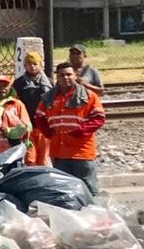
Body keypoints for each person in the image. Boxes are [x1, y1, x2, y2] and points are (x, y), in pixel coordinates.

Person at [34, 62, 106, 194]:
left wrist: (80, 132)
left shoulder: (89, 96)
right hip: (59, 153)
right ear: (57, 77)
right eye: (62, 75)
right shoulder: (48, 97)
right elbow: (39, 117)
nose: (65, 77)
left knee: (89, 189)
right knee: (65, 190)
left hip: (82, 152)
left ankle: (95, 213)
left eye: (68, 74)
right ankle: (71, 214)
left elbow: (99, 118)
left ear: (75, 76)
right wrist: (49, 133)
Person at [13, 52, 53, 166]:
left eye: (35, 64)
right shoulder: (19, 83)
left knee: (44, 160)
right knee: (30, 159)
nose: (33, 66)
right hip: (27, 128)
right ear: (25, 66)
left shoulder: (49, 83)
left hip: (44, 127)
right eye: (29, 64)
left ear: (41, 65)